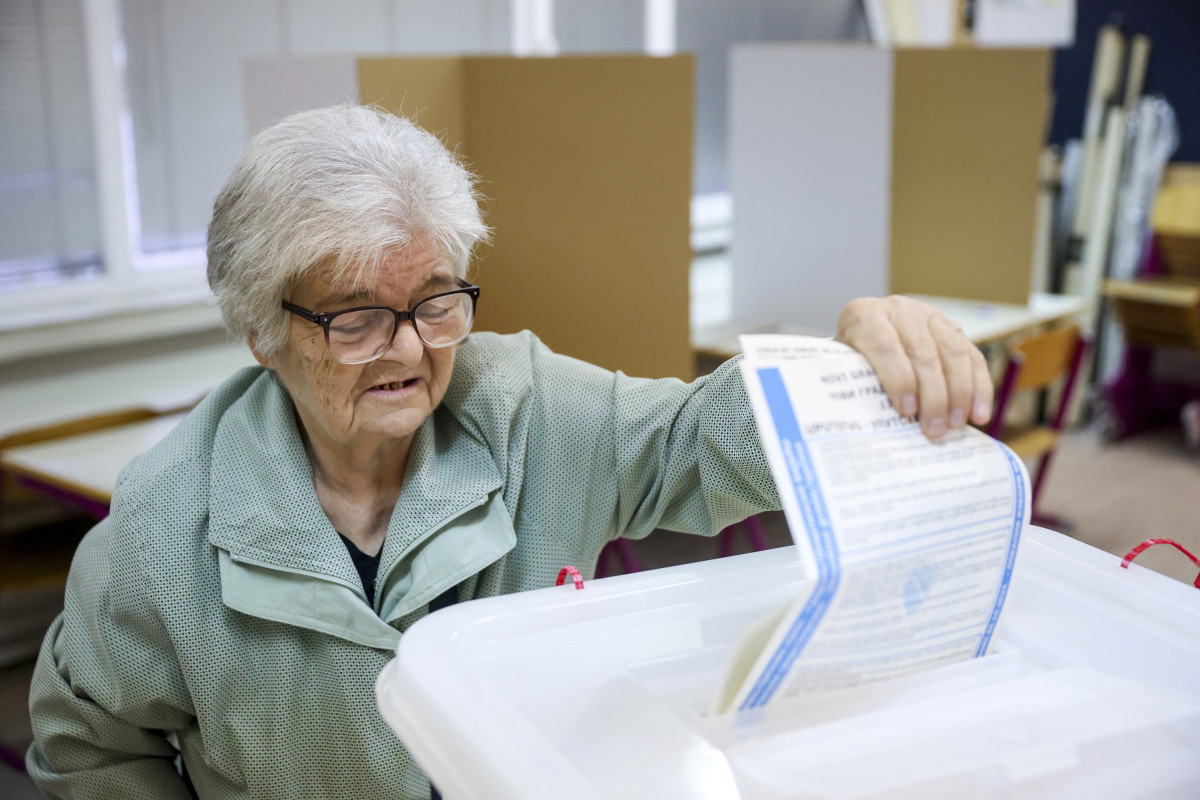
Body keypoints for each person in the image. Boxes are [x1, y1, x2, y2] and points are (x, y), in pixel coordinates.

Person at [26, 105, 993, 799]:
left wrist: (843, 362)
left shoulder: (526, 406)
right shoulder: (162, 524)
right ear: (260, 331)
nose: (409, 349)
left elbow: (700, 440)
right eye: (358, 319)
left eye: (435, 300)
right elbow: (89, 750)